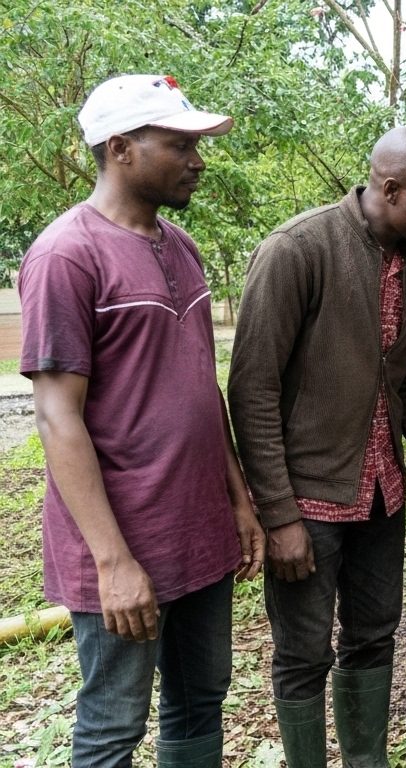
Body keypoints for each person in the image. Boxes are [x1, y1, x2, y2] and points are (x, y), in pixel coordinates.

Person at [19, 74, 263, 768]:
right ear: (121, 148)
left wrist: (237, 499)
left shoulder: (179, 245)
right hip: (124, 543)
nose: (198, 159)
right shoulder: (67, 255)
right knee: (112, 727)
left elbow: (197, 386)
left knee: (200, 701)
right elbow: (57, 416)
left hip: (199, 533)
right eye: (180, 144)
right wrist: (112, 563)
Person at [228, 126, 406, 768]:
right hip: (307, 500)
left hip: (380, 496)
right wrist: (278, 516)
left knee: (374, 636)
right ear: (390, 190)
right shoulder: (297, 249)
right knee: (304, 653)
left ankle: (367, 760)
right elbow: (251, 391)